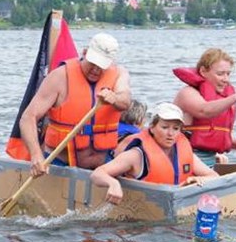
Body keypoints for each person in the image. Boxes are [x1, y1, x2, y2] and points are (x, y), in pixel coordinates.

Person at [20, 33, 132, 177]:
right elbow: (28, 117)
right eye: (93, 63)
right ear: (85, 53)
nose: (96, 70)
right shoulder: (59, 77)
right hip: (61, 163)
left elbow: (125, 100)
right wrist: (36, 155)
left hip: (102, 167)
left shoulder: (120, 74)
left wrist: (114, 98)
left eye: (101, 66)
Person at [90, 103, 219, 205]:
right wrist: (113, 184)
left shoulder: (184, 152)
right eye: (164, 127)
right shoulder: (136, 155)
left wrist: (198, 180)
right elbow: (97, 174)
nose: (170, 134)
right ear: (152, 127)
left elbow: (214, 176)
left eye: (175, 128)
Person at [173, 48, 236, 167]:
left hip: (208, 161)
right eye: (220, 74)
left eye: (228, 74)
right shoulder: (187, 93)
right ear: (203, 71)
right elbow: (204, 111)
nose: (226, 79)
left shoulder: (220, 100)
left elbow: (212, 132)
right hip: (184, 161)